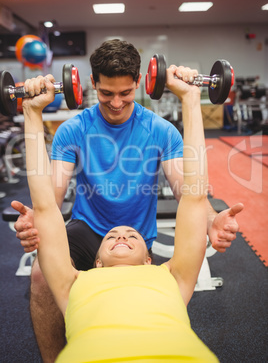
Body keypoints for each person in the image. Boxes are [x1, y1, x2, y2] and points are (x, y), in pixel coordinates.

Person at [13, 40, 242, 362]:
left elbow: (187, 193)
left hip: (136, 232)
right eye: (107, 93)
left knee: (147, 298)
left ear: (140, 82)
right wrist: (36, 219)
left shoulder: (161, 130)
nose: (116, 102)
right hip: (88, 226)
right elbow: (50, 199)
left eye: (125, 93)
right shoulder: (73, 129)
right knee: (40, 275)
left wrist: (209, 217)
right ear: (92, 83)